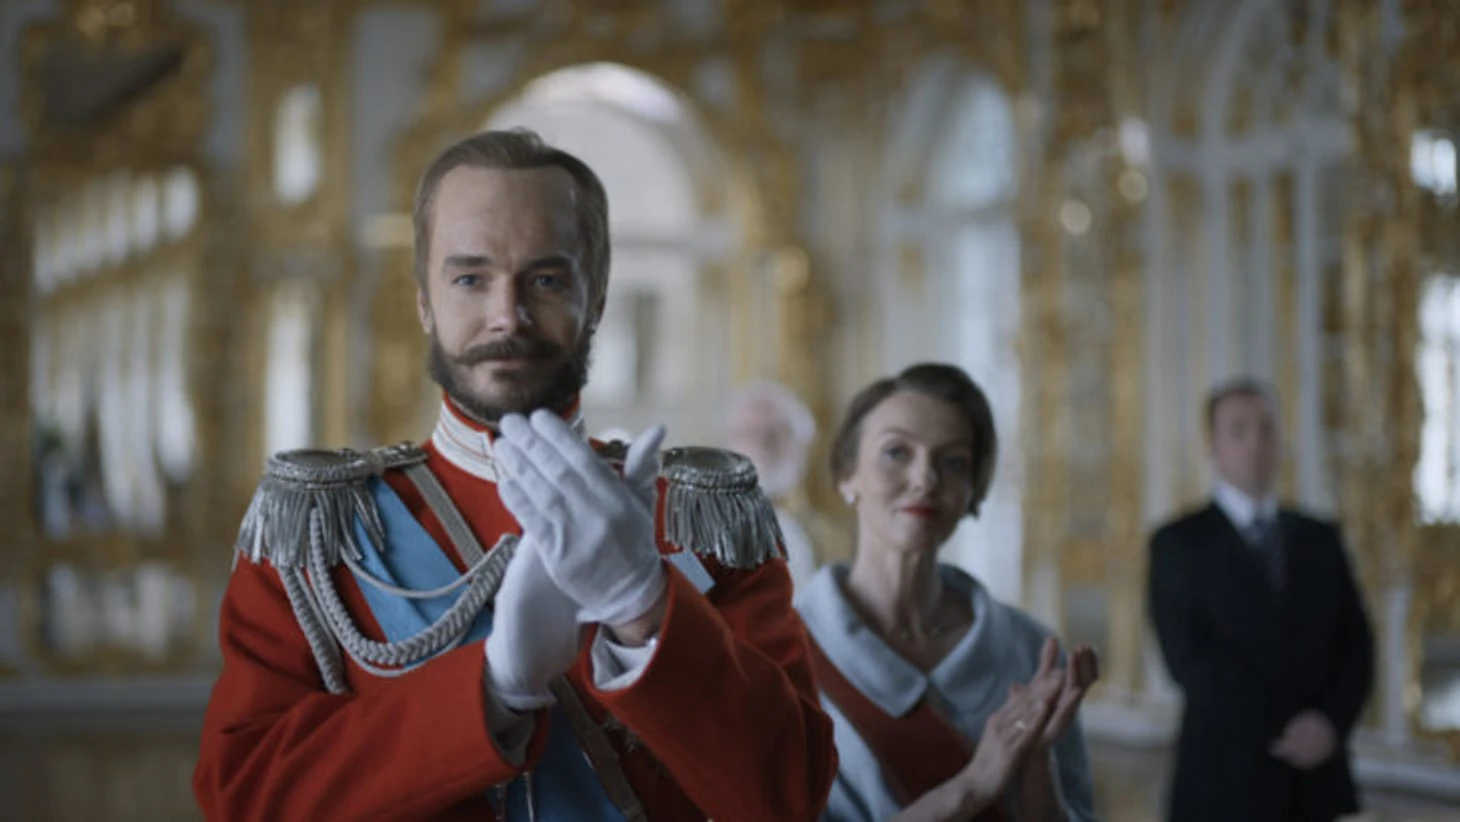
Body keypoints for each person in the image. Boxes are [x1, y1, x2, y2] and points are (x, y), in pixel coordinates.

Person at [193, 129, 837, 821]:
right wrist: (492, 688)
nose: (508, 315)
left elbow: (789, 796)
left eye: (546, 279)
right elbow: (245, 798)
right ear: (424, 301)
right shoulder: (318, 530)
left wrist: (645, 606)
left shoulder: (704, 519)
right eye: (471, 279)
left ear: (596, 298)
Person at [797, 363, 1099, 821]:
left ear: (973, 490)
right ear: (846, 475)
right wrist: (972, 787)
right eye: (896, 452)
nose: (925, 479)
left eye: (953, 461)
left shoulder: (1031, 649)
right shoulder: (780, 653)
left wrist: (1035, 762)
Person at [1147, 377, 1374, 822]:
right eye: (1239, 430)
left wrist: (1329, 724)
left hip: (1319, 783)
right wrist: (1287, 727)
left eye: (1267, 429)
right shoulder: (1177, 543)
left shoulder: (1320, 537)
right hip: (1225, 781)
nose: (1256, 443)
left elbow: (1357, 645)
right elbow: (1189, 660)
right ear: (1212, 444)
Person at [725, 380, 821, 586]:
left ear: (800, 444)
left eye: (774, 434)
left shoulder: (829, 537)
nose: (761, 444)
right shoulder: (707, 526)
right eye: (749, 432)